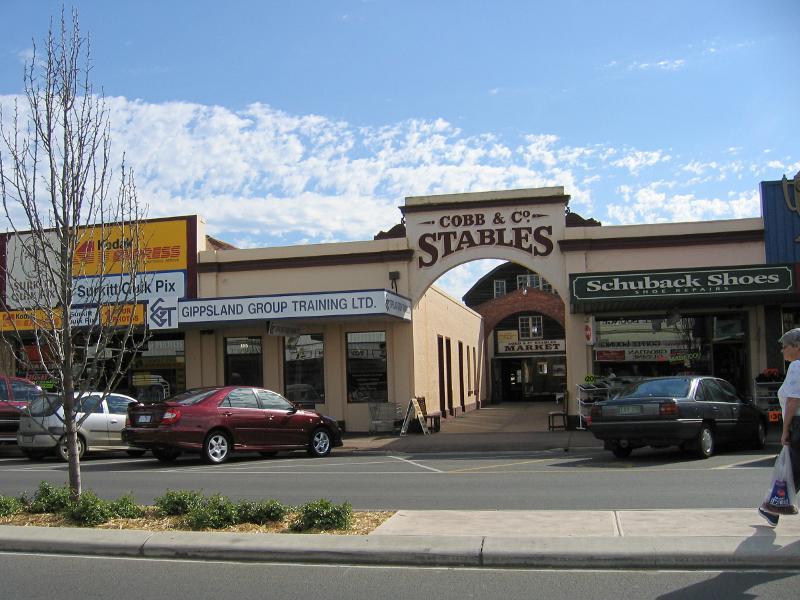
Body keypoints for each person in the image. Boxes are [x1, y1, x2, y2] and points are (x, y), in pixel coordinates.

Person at [758, 328, 800, 527]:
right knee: (793, 470)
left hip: (798, 425)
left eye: (785, 347)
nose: (782, 352)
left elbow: (793, 401)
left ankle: (772, 507)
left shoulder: (797, 366)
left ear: (796, 347)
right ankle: (772, 507)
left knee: (791, 470)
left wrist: (785, 430)